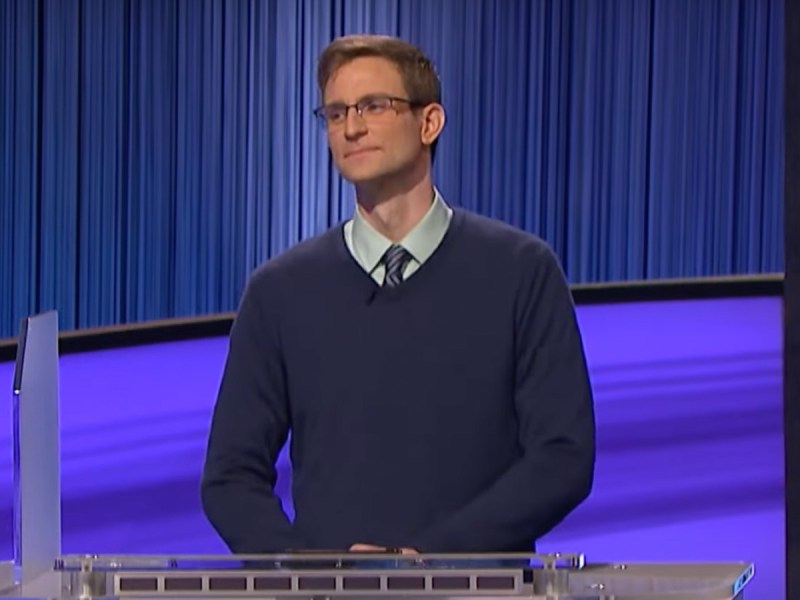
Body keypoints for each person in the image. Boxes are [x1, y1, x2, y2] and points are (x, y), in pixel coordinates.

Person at [201, 34, 595, 555]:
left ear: (429, 122)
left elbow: (562, 458)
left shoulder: (520, 271)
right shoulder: (279, 292)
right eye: (336, 113)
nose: (352, 127)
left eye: (373, 106)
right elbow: (229, 477)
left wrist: (436, 560)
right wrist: (312, 571)